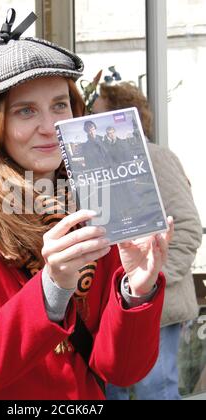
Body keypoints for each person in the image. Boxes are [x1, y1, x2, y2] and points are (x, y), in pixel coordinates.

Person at [0, 11, 173, 400]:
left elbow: (122, 370)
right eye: (25, 111)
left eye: (59, 105)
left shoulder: (93, 201)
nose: (50, 126)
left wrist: (136, 290)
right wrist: (52, 287)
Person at [92, 81, 203, 400]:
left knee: (156, 390)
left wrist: (154, 279)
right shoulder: (99, 167)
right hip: (114, 304)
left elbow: (188, 225)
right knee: (110, 390)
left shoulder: (154, 157)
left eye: (98, 114)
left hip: (157, 304)